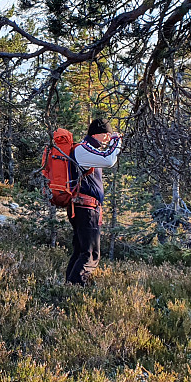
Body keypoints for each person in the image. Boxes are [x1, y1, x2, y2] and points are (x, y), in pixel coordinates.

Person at [65, 118, 123, 284]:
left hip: (83, 207)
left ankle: (68, 289)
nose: (108, 139)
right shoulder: (83, 150)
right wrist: (117, 141)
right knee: (90, 254)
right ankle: (74, 290)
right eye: (107, 135)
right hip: (86, 208)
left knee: (80, 252)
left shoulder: (86, 150)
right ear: (103, 135)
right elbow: (108, 160)